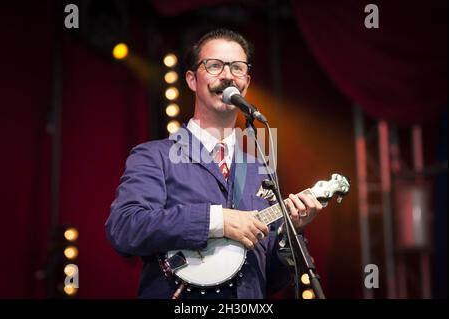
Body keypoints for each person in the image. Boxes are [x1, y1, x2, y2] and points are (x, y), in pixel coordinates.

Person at [105, 28, 323, 299]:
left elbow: (270, 280)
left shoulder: (261, 170)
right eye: (215, 65)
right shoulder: (154, 156)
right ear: (192, 80)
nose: (228, 75)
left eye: (237, 67)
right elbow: (125, 228)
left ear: (246, 81)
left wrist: (291, 232)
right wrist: (216, 220)